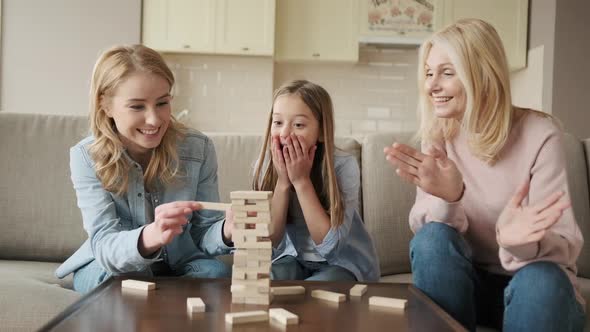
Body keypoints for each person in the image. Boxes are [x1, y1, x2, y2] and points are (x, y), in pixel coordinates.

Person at [384, 18, 586, 331]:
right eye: (428, 73)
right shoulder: (440, 134)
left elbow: (565, 246)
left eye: (447, 72)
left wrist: (517, 243)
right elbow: (428, 239)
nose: (431, 85)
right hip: (469, 288)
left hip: (531, 287)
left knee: (541, 279)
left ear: (482, 74)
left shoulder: (540, 135)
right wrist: (451, 199)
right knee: (431, 240)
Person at [55, 44, 234, 293]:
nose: (154, 119)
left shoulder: (198, 148)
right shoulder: (86, 157)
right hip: (112, 265)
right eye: (137, 106)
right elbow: (105, 243)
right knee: (120, 278)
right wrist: (152, 235)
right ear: (105, 105)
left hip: (182, 263)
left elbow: (204, 233)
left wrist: (227, 230)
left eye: (162, 103)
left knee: (217, 273)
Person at [252, 79, 380, 282]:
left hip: (341, 263)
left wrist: (301, 181)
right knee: (262, 282)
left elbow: (330, 247)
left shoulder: (343, 166)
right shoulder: (266, 165)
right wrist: (283, 182)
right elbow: (270, 243)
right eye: (278, 122)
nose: (285, 133)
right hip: (292, 258)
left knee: (317, 291)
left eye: (299, 125)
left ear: (321, 131)